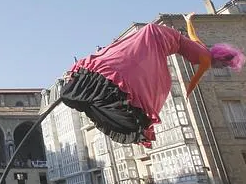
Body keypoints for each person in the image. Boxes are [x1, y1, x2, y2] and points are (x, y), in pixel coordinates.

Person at [60, 13, 245, 147]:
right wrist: (188, 93)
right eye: (222, 66)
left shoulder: (202, 46)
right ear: (220, 61)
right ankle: (117, 71)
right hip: (163, 40)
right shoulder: (206, 61)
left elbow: (192, 34)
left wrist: (188, 19)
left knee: (138, 59)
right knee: (154, 82)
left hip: (163, 36)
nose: (219, 68)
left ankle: (112, 65)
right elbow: (194, 80)